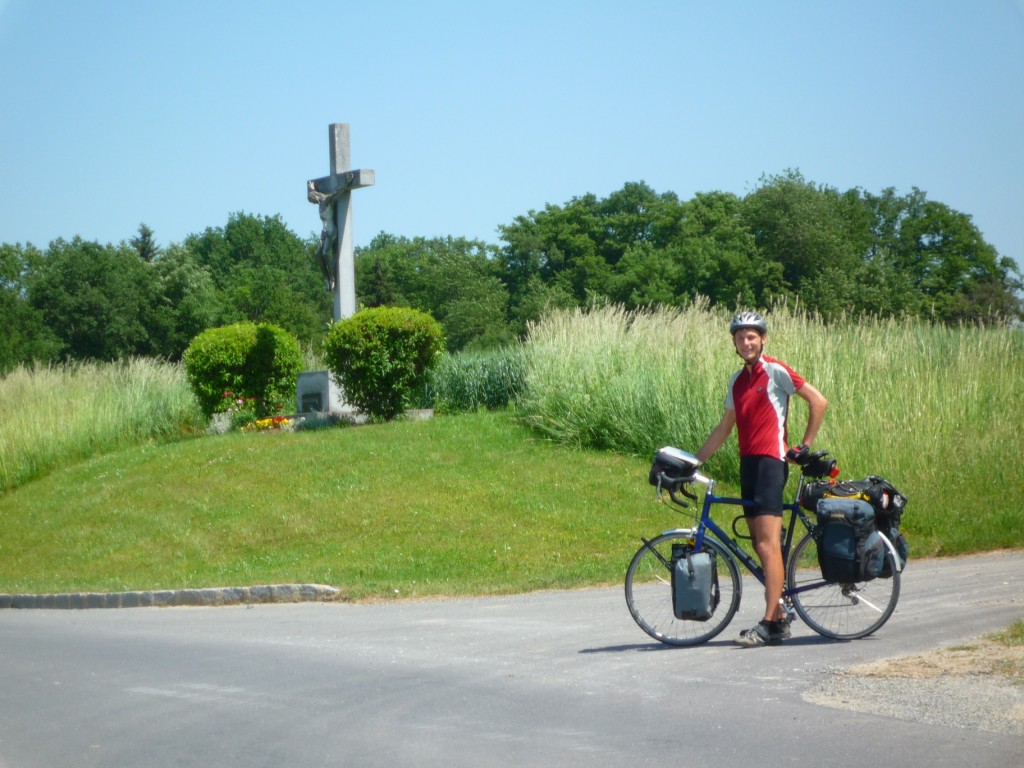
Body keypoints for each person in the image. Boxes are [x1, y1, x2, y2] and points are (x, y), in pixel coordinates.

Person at [695, 311, 827, 647]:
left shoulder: (775, 370)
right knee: (760, 544)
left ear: (763, 339)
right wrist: (693, 462)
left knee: (768, 545)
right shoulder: (736, 382)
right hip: (748, 465)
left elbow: (818, 401)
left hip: (771, 462)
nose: (746, 342)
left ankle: (769, 624)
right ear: (735, 343)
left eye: (752, 336)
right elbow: (725, 429)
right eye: (740, 337)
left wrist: (805, 446)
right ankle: (780, 616)